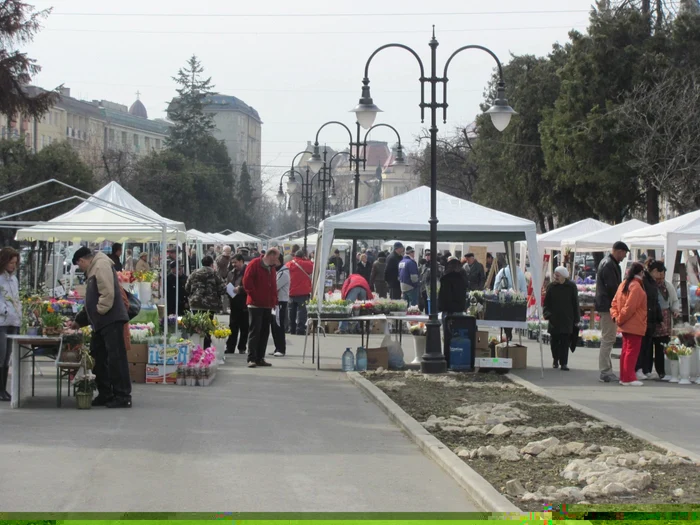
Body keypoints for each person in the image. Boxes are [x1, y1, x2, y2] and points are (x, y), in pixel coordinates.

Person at [71, 247, 131, 408]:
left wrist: (99, 311)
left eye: (79, 265)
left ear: (82, 260)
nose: (80, 268)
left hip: (110, 320)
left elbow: (107, 293)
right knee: (98, 356)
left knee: (116, 358)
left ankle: (122, 395)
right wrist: (80, 321)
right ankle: (106, 393)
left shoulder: (101, 265)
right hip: (101, 322)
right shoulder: (93, 269)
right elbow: (91, 299)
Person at [595, 241, 629, 383]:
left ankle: (607, 369)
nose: (624, 257)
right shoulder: (609, 264)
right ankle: (605, 371)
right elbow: (613, 288)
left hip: (606, 305)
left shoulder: (608, 263)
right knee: (608, 339)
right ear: (618, 251)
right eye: (624, 253)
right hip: (608, 306)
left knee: (608, 338)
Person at [610, 262, 648, 386]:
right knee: (631, 351)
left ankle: (624, 376)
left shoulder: (623, 284)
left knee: (626, 351)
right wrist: (620, 318)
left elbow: (614, 303)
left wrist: (616, 317)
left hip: (625, 324)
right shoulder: (636, 287)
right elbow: (630, 307)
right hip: (634, 324)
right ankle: (629, 377)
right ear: (641, 272)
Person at [243, 248, 280, 368]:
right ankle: (251, 358)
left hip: (267, 304)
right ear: (270, 256)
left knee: (265, 331)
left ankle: (260, 357)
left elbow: (273, 285)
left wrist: (274, 300)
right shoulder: (254, 264)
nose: (276, 261)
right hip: (255, 304)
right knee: (255, 331)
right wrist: (254, 295)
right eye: (275, 258)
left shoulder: (272, 268)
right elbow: (247, 282)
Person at [646, 261, 680, 380]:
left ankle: (662, 371)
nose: (660, 279)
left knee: (662, 346)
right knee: (648, 346)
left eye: (662, 277)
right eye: (658, 277)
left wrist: (675, 310)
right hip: (651, 318)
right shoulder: (646, 284)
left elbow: (675, 300)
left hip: (664, 320)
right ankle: (647, 370)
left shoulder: (667, 285)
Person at [185, 255, 226, 351]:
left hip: (195, 304)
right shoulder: (215, 274)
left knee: (197, 327)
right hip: (210, 305)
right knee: (207, 328)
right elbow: (222, 289)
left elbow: (187, 287)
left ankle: (196, 348)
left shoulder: (194, 273)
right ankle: (206, 349)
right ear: (212, 264)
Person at [543, 266, 580, 371]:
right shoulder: (551, 287)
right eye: (555, 275)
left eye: (558, 275)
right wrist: (547, 314)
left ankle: (564, 363)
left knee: (565, 341)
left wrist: (577, 318)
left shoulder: (571, 286)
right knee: (554, 342)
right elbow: (546, 303)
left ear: (564, 276)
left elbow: (575, 303)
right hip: (554, 319)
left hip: (567, 318)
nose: (555, 277)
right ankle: (555, 359)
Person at [635, 259, 663, 380]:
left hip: (651, 318)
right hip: (644, 316)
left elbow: (655, 302)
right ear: (655, 271)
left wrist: (659, 318)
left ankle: (646, 369)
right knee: (642, 345)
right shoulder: (644, 281)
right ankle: (638, 368)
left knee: (647, 345)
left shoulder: (652, 282)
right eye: (660, 273)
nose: (661, 276)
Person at [0, 247, 21, 401]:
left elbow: (16, 298)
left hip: (13, 321)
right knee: (1, 355)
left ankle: (3, 389)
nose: (13, 265)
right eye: (11, 262)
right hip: (2, 321)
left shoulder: (14, 279)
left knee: (7, 357)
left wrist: (19, 313)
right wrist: (5, 310)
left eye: (15, 263)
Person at [286, 250, 314, 336]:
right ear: (303, 256)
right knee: (302, 312)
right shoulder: (305, 263)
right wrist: (307, 259)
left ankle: (292, 329)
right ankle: (300, 329)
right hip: (302, 292)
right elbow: (313, 267)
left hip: (291, 292)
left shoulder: (288, 264)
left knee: (291, 311)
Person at [225, 254, 249, 354]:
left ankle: (242, 347)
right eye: (232, 263)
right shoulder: (231, 273)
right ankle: (230, 347)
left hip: (244, 303)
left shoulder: (247, 271)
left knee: (244, 327)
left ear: (241, 261)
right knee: (232, 326)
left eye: (236, 262)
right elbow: (228, 283)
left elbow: (251, 286)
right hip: (234, 302)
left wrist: (240, 289)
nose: (234, 264)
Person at [271, 252, 290, 357]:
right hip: (276, 302)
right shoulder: (278, 271)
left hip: (281, 301)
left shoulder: (283, 272)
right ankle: (277, 347)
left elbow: (275, 286)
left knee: (279, 325)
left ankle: (281, 348)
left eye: (275, 260)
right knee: (274, 326)